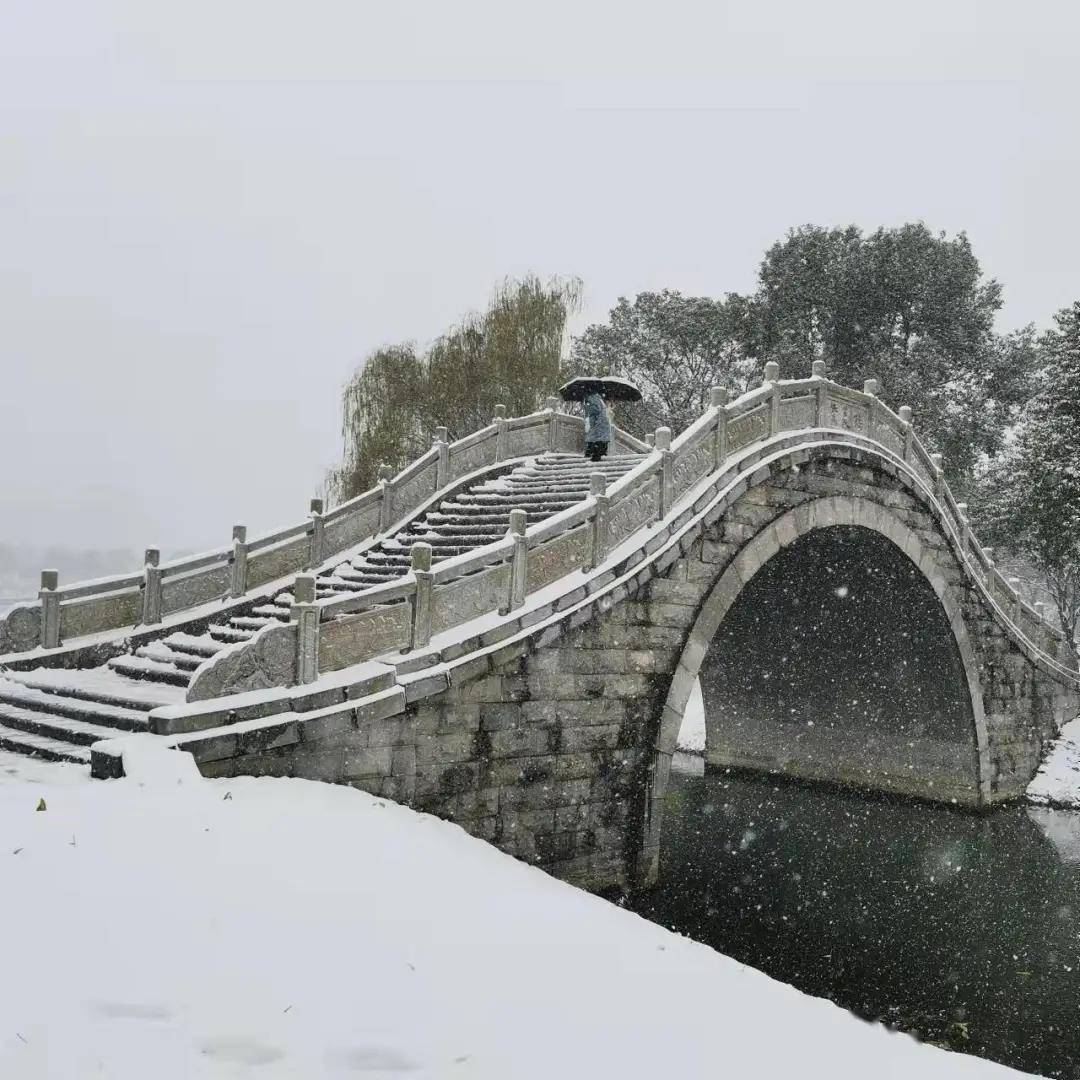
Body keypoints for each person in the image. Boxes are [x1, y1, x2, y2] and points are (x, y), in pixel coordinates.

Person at [583, 388, 612, 462]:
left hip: (599, 430)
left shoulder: (593, 401)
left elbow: (593, 417)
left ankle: (594, 455)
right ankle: (599, 455)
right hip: (602, 430)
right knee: (600, 444)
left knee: (595, 443)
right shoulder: (598, 402)